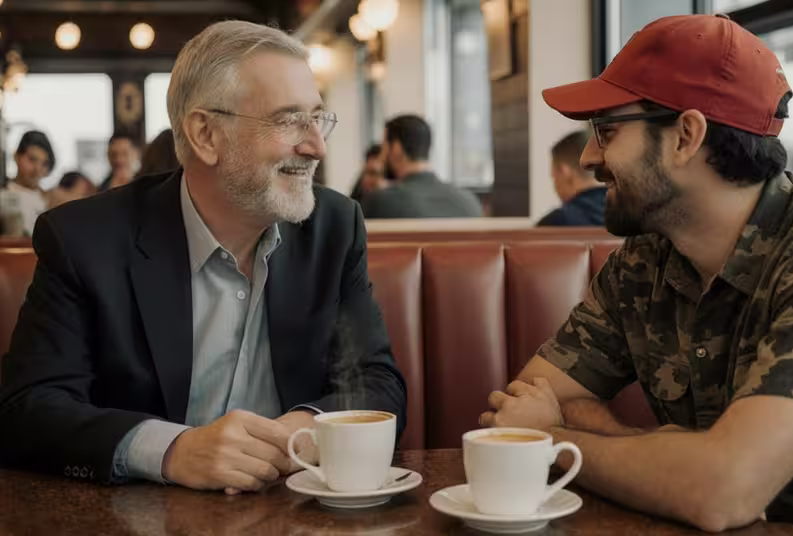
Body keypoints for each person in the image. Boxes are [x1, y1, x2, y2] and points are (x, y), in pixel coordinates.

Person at [479, 14, 793, 534]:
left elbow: (722, 492)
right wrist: (676, 460)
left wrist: (559, 441)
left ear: (686, 135)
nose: (589, 157)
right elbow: (528, 399)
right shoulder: (646, 260)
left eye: (606, 130)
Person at [0, 20, 406, 494]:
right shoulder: (86, 239)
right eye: (289, 119)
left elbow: (379, 385)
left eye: (317, 117)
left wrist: (307, 431)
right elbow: (26, 407)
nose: (316, 145)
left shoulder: (335, 228)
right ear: (205, 134)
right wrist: (171, 451)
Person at [362, 115, 481, 218]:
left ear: (396, 148)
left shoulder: (380, 202)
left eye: (384, 147)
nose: (381, 157)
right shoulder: (469, 202)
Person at [537, 131, 606, 226]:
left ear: (565, 172)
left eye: (554, 177)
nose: (555, 188)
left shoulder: (556, 222)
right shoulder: (628, 215)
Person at [0, 130, 55, 237]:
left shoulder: (51, 200)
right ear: (16, 156)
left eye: (44, 163)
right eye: (32, 159)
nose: (37, 169)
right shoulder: (3, 195)